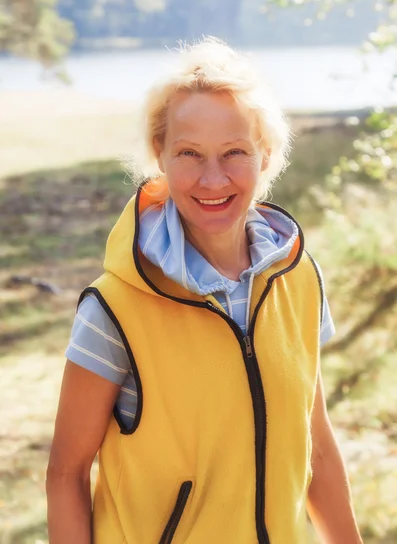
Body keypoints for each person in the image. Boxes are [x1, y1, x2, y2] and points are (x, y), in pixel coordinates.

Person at [46, 37, 363, 544]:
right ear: (160, 156)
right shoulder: (115, 308)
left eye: (234, 152)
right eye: (189, 153)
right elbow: (65, 474)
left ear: (265, 156)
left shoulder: (298, 278)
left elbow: (316, 445)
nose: (212, 179)